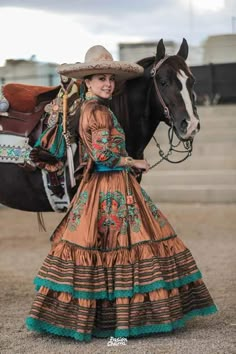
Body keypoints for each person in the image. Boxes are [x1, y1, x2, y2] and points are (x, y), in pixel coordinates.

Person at [26, 45, 217, 342]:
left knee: (108, 251)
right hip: (110, 185)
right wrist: (134, 161)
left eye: (111, 79)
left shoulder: (95, 108)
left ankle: (109, 317)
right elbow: (104, 157)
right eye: (100, 78)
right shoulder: (97, 112)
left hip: (107, 186)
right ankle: (122, 321)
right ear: (87, 82)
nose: (108, 83)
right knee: (124, 248)